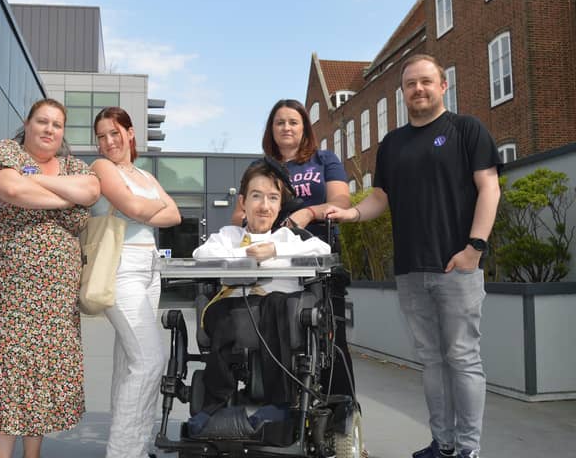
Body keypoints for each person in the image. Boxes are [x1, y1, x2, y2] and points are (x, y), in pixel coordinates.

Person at [326, 54, 501, 458]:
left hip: (457, 266)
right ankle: (443, 444)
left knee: (462, 357)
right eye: (410, 84)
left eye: (426, 81)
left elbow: (489, 188)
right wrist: (350, 212)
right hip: (409, 270)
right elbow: (380, 198)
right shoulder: (392, 144)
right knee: (432, 361)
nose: (418, 89)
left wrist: (474, 247)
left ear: (443, 85)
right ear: (403, 92)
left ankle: (468, 450)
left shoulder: (466, 130)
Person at [0, 98, 100, 458]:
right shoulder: (7, 152)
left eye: (57, 124)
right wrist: (65, 196)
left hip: (55, 300)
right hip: (9, 293)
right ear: (28, 123)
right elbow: (12, 189)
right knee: (9, 372)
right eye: (43, 121)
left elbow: (92, 191)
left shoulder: (71, 165)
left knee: (39, 377)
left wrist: (44, 187)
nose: (49, 129)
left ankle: (32, 455)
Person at [231, 99, 355, 398]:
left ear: (304, 128)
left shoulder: (324, 160)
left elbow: (341, 203)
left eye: (293, 122)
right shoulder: (259, 167)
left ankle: (342, 409)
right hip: (274, 259)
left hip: (316, 255)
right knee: (276, 327)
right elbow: (239, 215)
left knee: (331, 336)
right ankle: (281, 400)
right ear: (271, 130)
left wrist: (309, 213)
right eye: (279, 122)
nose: (286, 127)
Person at [194, 159, 331, 409]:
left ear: (280, 206)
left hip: (280, 313)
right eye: (256, 196)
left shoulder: (287, 237)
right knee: (221, 312)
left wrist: (275, 250)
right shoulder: (228, 236)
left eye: (273, 198)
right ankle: (215, 408)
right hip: (234, 311)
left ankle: (278, 406)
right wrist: (246, 256)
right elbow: (201, 255)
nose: (264, 206)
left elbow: (323, 249)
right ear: (243, 202)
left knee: (277, 303)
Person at [91, 106, 181, 458]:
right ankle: (122, 452)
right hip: (120, 265)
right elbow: (137, 208)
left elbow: (175, 215)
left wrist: (146, 208)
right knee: (149, 360)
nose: (109, 141)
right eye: (101, 136)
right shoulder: (101, 168)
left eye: (115, 132)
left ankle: (136, 446)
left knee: (130, 362)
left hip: (149, 268)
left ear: (130, 133)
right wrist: (148, 207)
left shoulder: (144, 175)